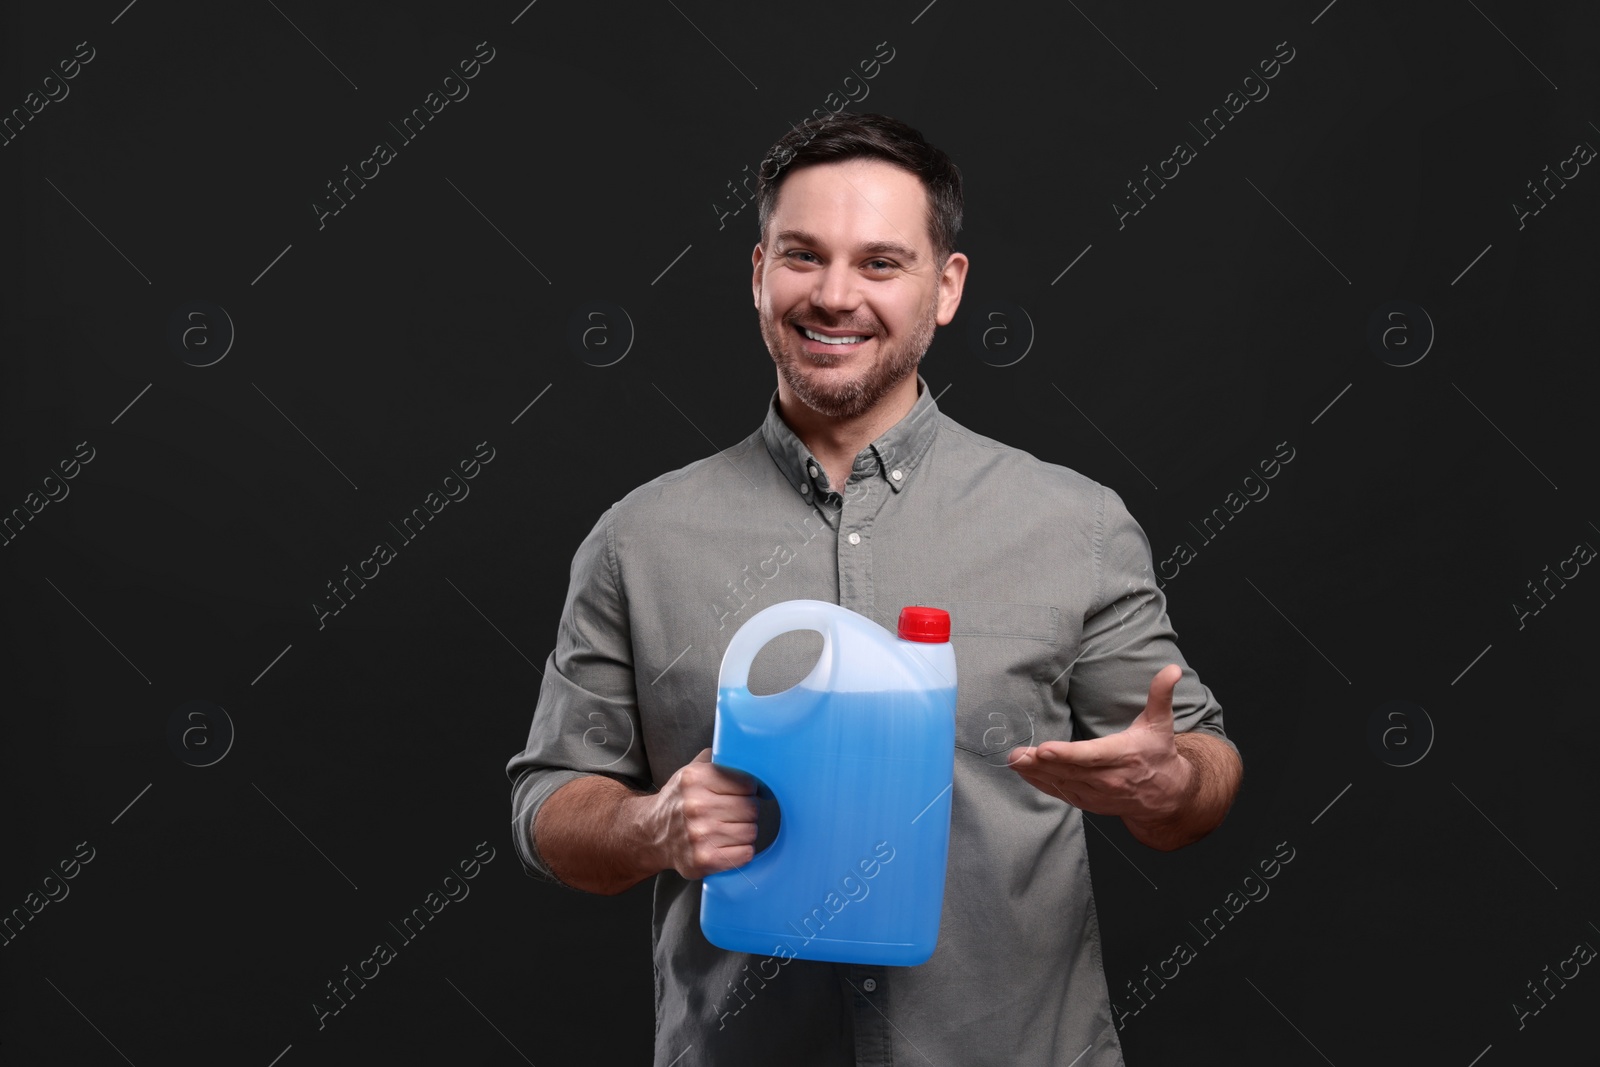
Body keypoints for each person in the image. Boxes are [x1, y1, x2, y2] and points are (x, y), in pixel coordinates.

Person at [506, 111, 1243, 1066]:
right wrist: (651, 826)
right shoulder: (637, 540)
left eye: (881, 264)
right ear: (759, 273)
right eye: (804, 257)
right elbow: (549, 801)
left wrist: (1170, 780)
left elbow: (1202, 764)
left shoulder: (1076, 525)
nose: (835, 296)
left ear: (947, 288)